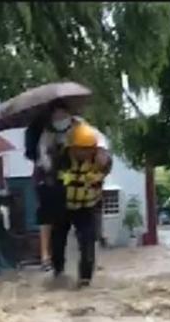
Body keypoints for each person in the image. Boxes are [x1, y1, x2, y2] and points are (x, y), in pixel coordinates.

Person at [25, 100, 111, 270]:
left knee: (87, 235)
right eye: (56, 116)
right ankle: (56, 266)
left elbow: (100, 144)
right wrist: (55, 172)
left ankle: (88, 265)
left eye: (62, 115)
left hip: (86, 198)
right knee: (58, 233)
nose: (59, 119)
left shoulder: (82, 129)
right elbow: (45, 162)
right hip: (61, 193)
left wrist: (100, 155)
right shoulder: (47, 135)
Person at [50, 122, 112, 288]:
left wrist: (103, 161)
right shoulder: (62, 158)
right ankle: (58, 272)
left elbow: (106, 163)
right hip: (63, 206)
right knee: (57, 241)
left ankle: (85, 279)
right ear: (73, 148)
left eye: (89, 149)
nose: (85, 153)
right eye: (82, 149)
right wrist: (67, 180)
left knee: (87, 242)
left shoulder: (100, 158)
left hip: (87, 207)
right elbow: (54, 178)